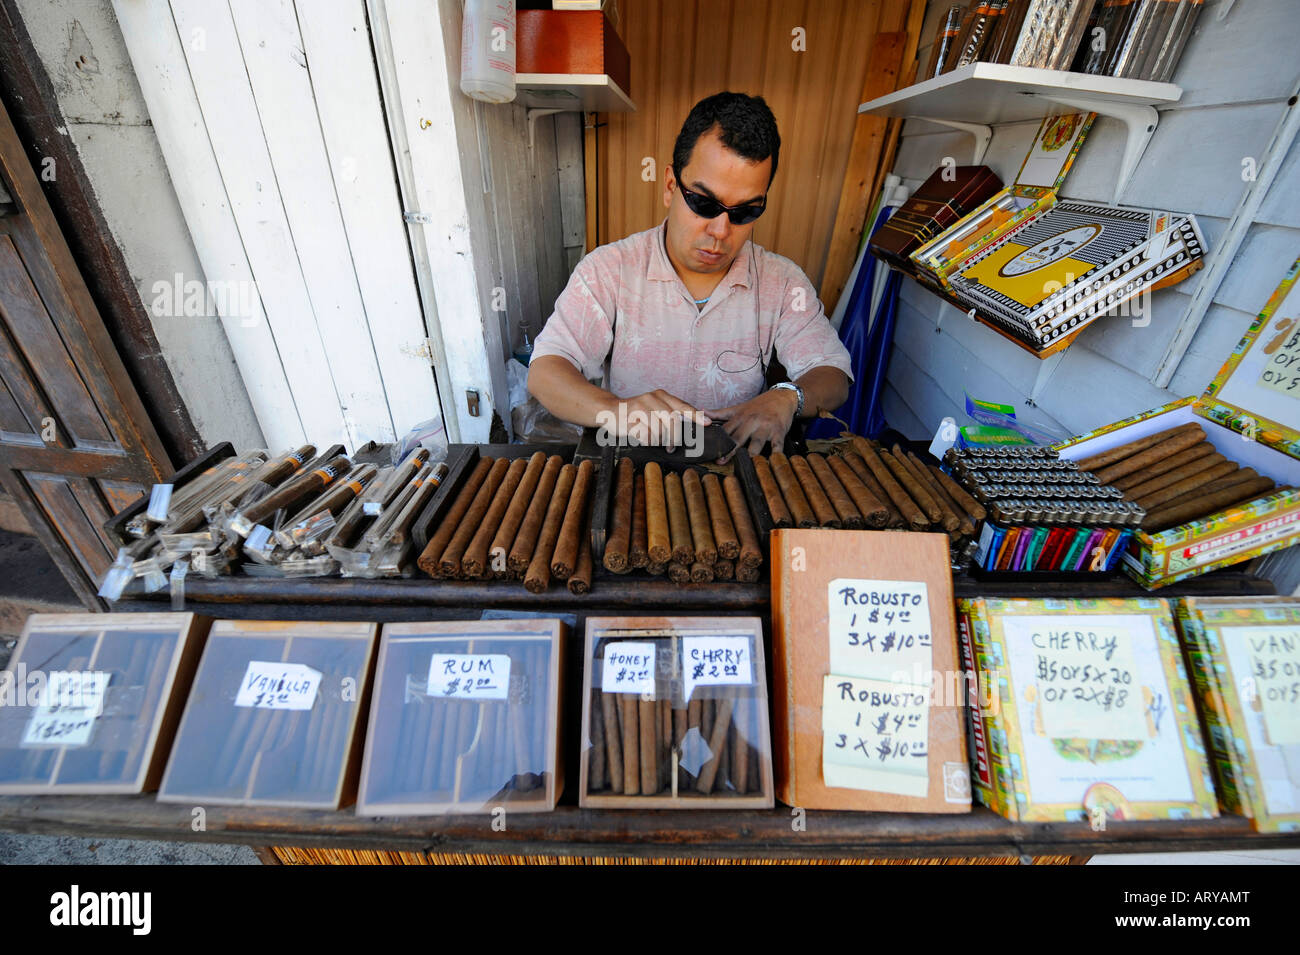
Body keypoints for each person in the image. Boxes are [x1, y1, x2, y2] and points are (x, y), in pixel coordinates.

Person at [526, 91, 852, 457]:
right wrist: (618, 411)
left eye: (745, 212)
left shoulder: (782, 282)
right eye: (703, 203)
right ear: (670, 186)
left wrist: (788, 396)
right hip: (632, 463)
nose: (720, 230)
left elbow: (833, 372)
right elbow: (546, 370)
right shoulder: (609, 270)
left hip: (730, 469)